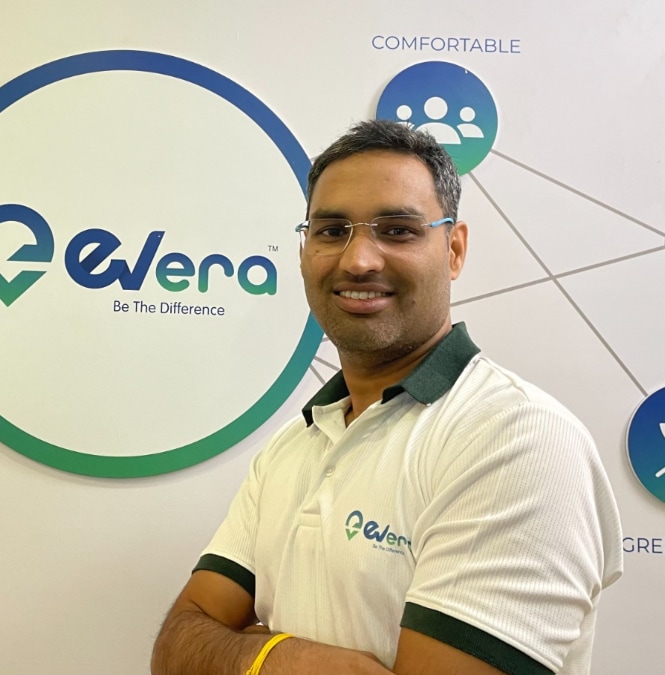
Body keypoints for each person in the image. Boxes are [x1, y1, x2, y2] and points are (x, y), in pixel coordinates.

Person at [150, 120, 622, 675]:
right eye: (332, 231)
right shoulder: (293, 445)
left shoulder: (516, 439)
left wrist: (238, 649)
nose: (358, 261)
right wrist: (283, 659)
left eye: (397, 230)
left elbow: (203, 645)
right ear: (304, 251)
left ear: (454, 249)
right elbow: (175, 645)